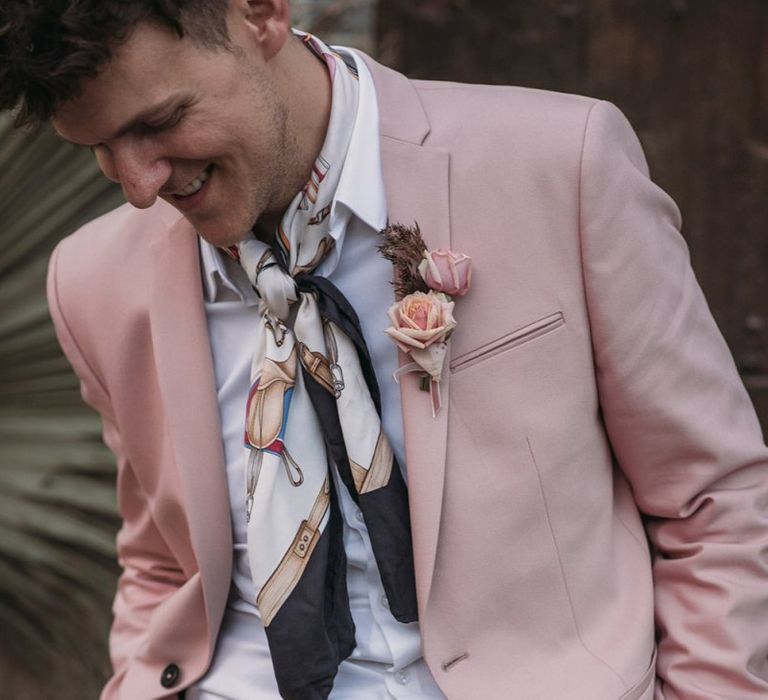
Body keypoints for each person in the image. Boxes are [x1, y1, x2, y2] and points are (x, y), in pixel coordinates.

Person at [3, 0, 767, 698]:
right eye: (99, 148)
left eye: (158, 121)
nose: (138, 186)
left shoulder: (560, 163)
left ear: (260, 14)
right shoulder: (92, 280)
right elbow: (163, 561)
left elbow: (713, 501)